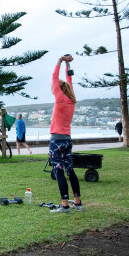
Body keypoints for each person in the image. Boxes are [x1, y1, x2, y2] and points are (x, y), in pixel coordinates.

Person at [48, 54, 82, 213]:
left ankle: (64, 205)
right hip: (68, 140)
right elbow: (69, 81)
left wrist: (60, 60)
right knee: (70, 171)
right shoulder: (71, 100)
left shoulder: (60, 99)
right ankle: (77, 202)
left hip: (56, 141)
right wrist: (68, 66)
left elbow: (55, 78)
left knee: (59, 171)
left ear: (59, 90)